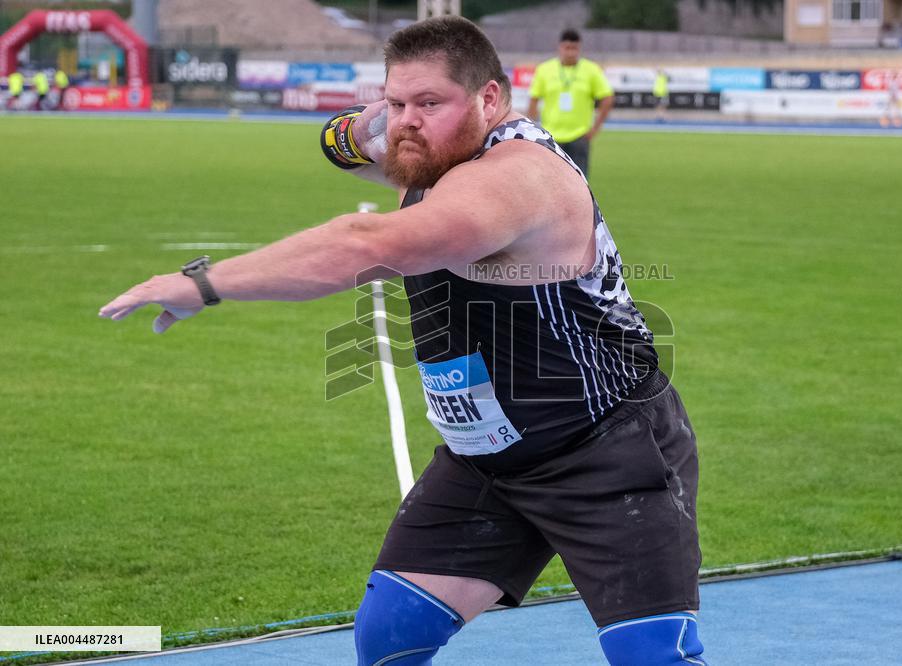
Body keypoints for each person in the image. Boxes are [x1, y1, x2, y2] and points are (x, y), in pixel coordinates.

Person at [99, 16, 705, 666]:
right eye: (397, 102)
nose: (409, 122)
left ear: (490, 99)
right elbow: (340, 144)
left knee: (652, 656)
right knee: (390, 633)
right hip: (488, 459)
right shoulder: (433, 148)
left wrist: (203, 284)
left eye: (431, 103)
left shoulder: (516, 180)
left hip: (606, 450)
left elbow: (359, 246)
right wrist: (376, 123)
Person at [527, 29, 614, 177]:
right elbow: (534, 99)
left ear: (579, 48)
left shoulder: (591, 70)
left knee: (579, 180)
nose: (571, 53)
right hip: (550, 136)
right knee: (550, 179)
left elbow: (607, 97)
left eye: (574, 48)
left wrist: (596, 127)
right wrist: (533, 128)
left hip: (579, 135)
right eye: (567, 48)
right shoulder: (544, 70)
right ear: (560, 47)